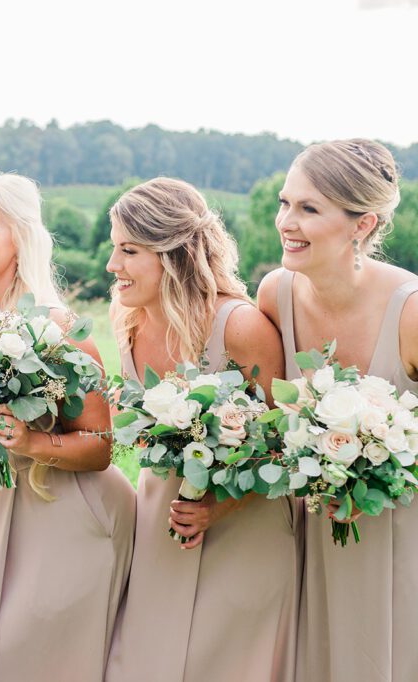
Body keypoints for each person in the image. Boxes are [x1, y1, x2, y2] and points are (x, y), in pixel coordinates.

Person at [105, 177, 294, 682]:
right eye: (113, 249)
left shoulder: (239, 326)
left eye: (128, 250)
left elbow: (287, 444)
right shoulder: (126, 322)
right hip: (161, 523)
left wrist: (219, 506)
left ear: (174, 254)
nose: (112, 266)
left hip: (245, 531)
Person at [0, 172, 135, 681]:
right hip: (3, 511)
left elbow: (101, 446)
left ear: (20, 239)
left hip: (69, 513)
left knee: (28, 657)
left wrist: (30, 440)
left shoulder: (56, 327)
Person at [257, 139, 418, 681]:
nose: (286, 221)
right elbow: (270, 418)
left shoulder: (411, 312)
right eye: (285, 203)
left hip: (398, 536)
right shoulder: (274, 294)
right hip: (307, 528)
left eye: (308, 208)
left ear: (362, 225)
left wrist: (378, 467)